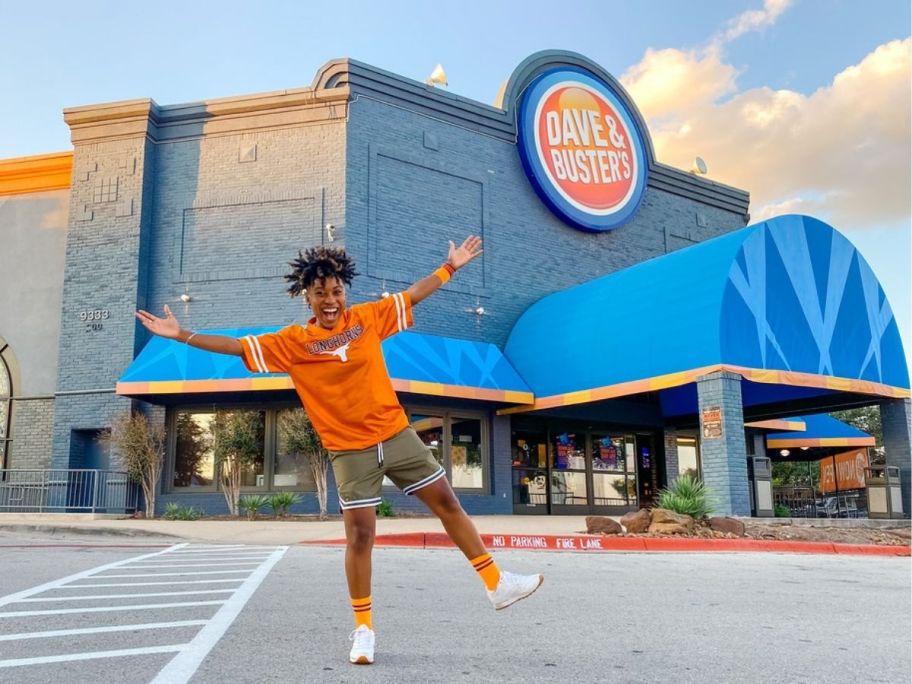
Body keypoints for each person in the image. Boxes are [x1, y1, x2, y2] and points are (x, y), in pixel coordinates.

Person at [135, 235, 543, 665]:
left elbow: (413, 295)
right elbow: (238, 347)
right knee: (361, 536)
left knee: (448, 504)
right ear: (306, 297)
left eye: (336, 292)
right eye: (320, 294)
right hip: (350, 451)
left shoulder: (368, 318)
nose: (330, 300)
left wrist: (451, 267)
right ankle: (363, 629)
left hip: (396, 435)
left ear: (344, 292)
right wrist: (181, 334)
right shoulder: (292, 343)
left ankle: (496, 583)